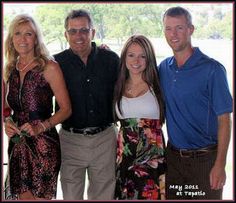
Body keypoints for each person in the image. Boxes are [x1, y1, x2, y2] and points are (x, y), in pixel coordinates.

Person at [159, 6, 233, 200]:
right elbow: (134, 70)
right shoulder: (163, 68)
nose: (173, 34)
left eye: (179, 28)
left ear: (191, 29)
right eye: (168, 28)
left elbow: (225, 120)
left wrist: (220, 165)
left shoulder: (213, 70)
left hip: (205, 161)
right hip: (173, 160)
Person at [53, 9, 120, 200]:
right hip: (69, 140)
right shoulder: (56, 63)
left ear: (93, 32)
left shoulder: (111, 60)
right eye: (73, 31)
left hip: (105, 139)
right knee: (71, 196)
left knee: (103, 195)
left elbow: (128, 90)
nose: (79, 36)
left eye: (84, 30)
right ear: (66, 34)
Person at [3, 14, 71, 200]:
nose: (22, 39)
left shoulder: (49, 67)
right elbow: (5, 108)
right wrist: (6, 122)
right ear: (11, 39)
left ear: (36, 39)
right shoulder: (9, 69)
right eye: (17, 33)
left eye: (28, 34)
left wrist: (41, 126)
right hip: (18, 145)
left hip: (44, 145)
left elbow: (66, 109)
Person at [114, 34, 166, 200]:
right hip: (125, 156)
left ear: (149, 58)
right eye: (131, 55)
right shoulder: (117, 83)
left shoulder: (158, 82)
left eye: (142, 56)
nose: (136, 61)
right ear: (124, 57)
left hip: (152, 156)